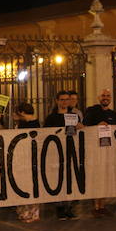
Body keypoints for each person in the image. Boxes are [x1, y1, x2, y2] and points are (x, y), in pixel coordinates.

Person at [43, 90, 81, 221]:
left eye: (67, 99)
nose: (65, 102)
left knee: (70, 180)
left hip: (70, 151)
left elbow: (80, 132)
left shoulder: (73, 116)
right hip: (55, 153)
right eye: (62, 99)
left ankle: (69, 207)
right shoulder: (51, 118)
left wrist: (80, 127)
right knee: (58, 180)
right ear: (57, 101)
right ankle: (59, 208)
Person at [82, 89, 116, 217]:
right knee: (95, 178)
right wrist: (97, 126)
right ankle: (95, 206)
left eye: (108, 96)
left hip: (107, 151)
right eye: (103, 95)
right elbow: (85, 126)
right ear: (99, 97)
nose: (105, 98)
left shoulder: (113, 114)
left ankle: (102, 206)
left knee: (104, 178)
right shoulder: (91, 111)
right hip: (94, 150)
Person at [13, 103, 42, 223]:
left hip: (30, 157)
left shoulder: (32, 124)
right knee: (24, 183)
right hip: (23, 157)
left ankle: (31, 212)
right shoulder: (25, 123)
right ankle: (26, 211)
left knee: (31, 184)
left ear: (22, 112)